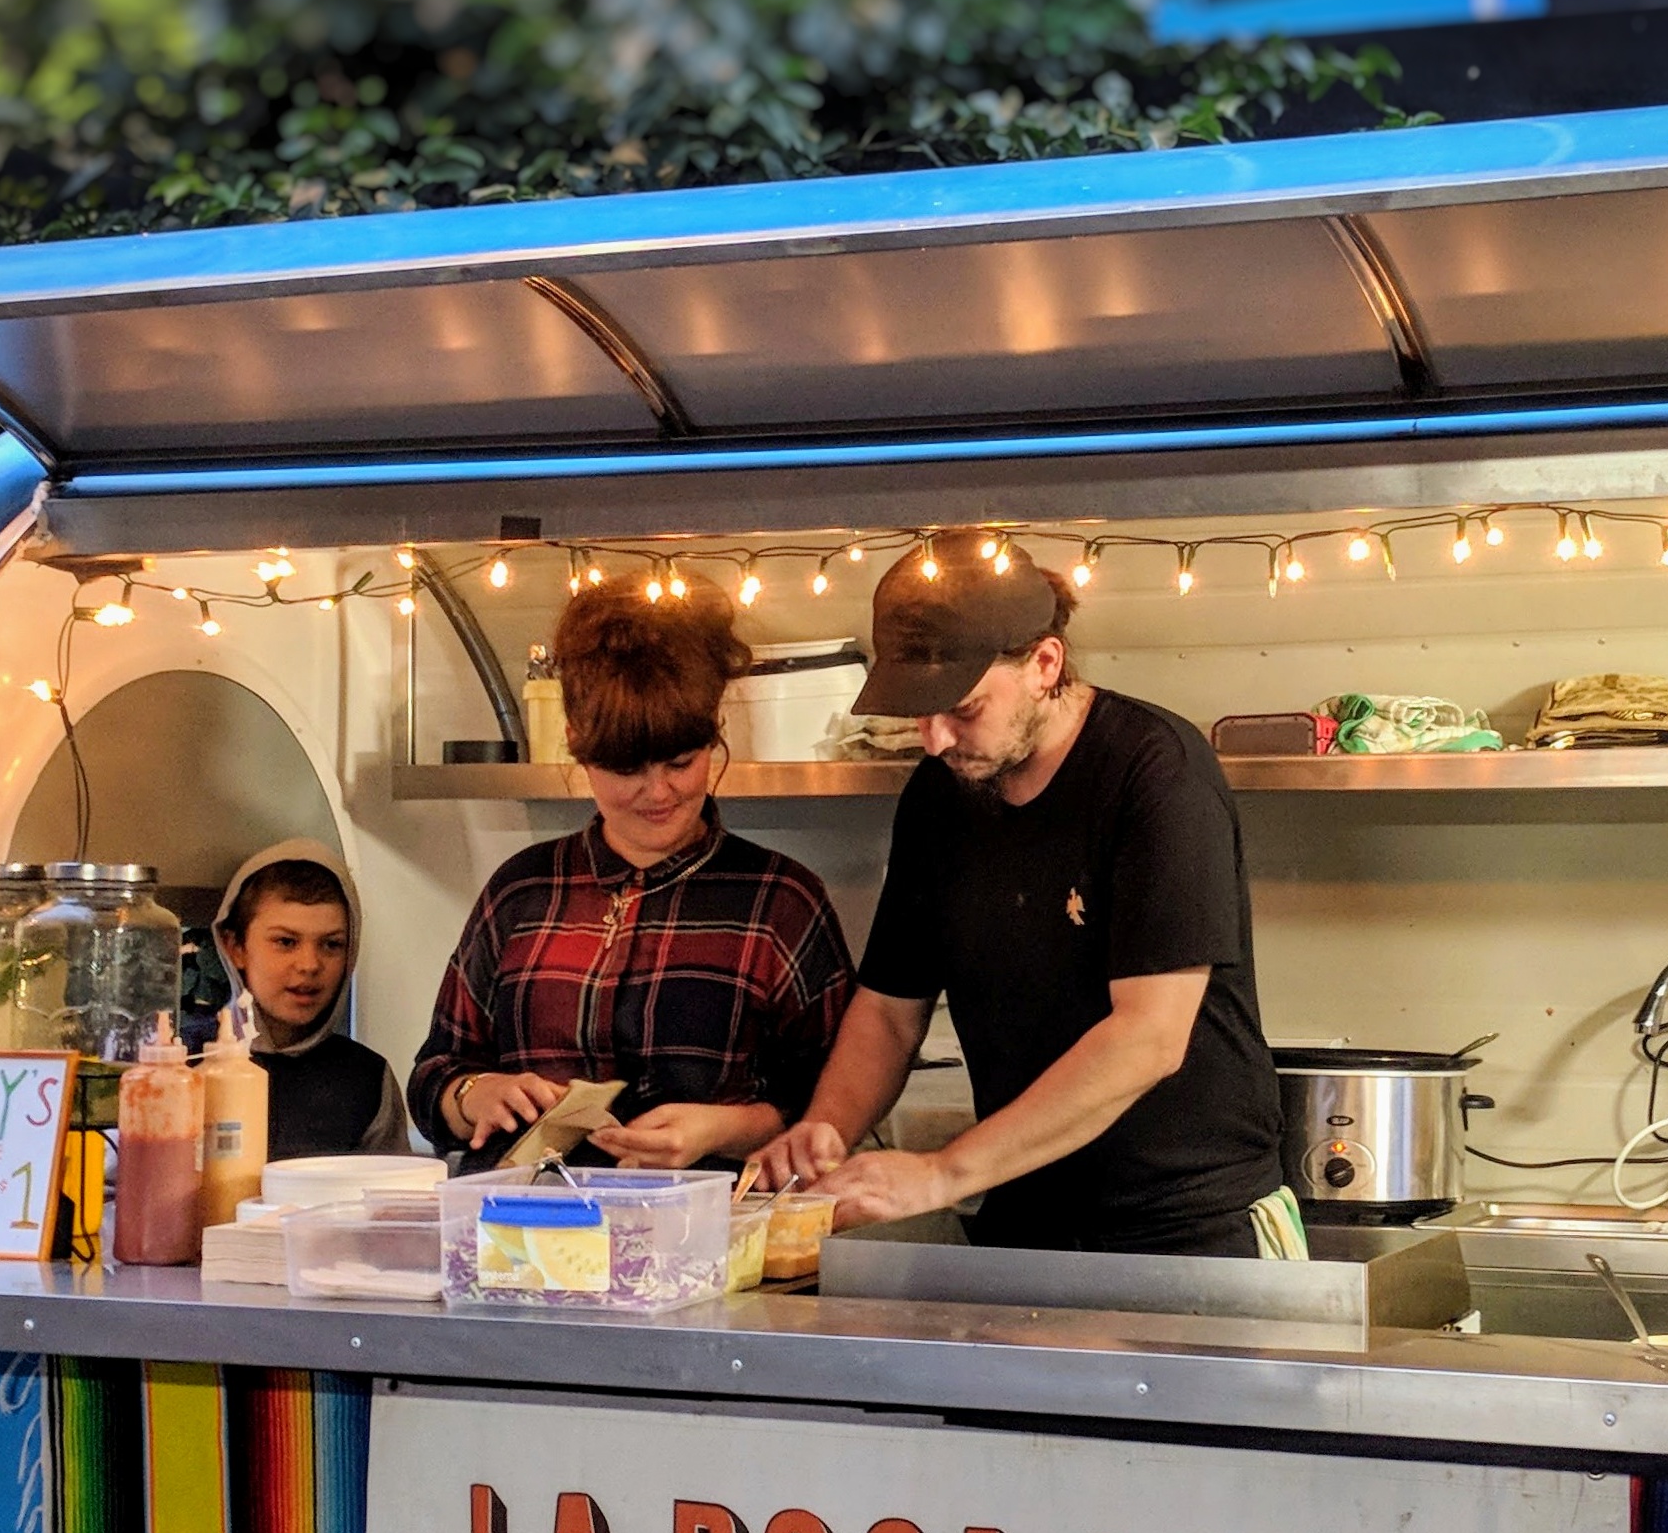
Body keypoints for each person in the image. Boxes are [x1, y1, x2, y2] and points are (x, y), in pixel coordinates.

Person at [750, 529, 1294, 1258]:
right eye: (917, 713)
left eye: (963, 709)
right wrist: (827, 1127)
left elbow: (1148, 1037)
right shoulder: (939, 798)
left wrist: (943, 1173)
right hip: (1025, 1213)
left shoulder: (1156, 773)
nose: (936, 738)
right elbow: (887, 1009)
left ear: (1044, 663)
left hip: (1186, 1224)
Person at [408, 576, 853, 1168]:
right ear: (575, 743)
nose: (658, 792)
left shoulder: (780, 900)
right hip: (523, 1238)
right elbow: (435, 1072)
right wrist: (473, 1095)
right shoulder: (522, 890)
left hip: (706, 1236)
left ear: (714, 732)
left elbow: (831, 1103)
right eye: (626, 769)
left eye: (680, 762)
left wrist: (723, 1129)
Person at [213, 843, 412, 1158]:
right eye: (286, 942)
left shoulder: (367, 1079)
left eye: (331, 944)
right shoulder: (183, 1066)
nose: (309, 965)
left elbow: (389, 1200)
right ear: (235, 947)